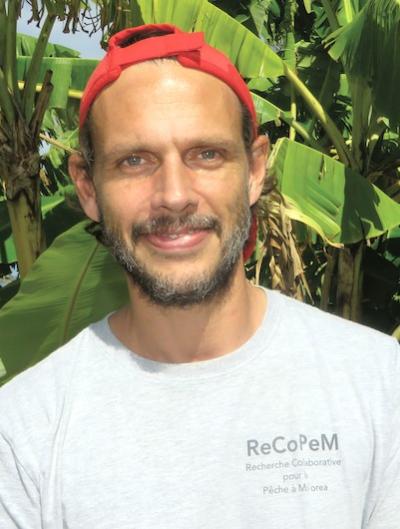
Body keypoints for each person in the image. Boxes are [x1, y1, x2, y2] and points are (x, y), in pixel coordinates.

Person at [0, 23, 399, 529]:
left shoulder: (379, 385)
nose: (174, 194)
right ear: (86, 185)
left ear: (255, 169)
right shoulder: (23, 430)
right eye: (135, 160)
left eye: (206, 155)